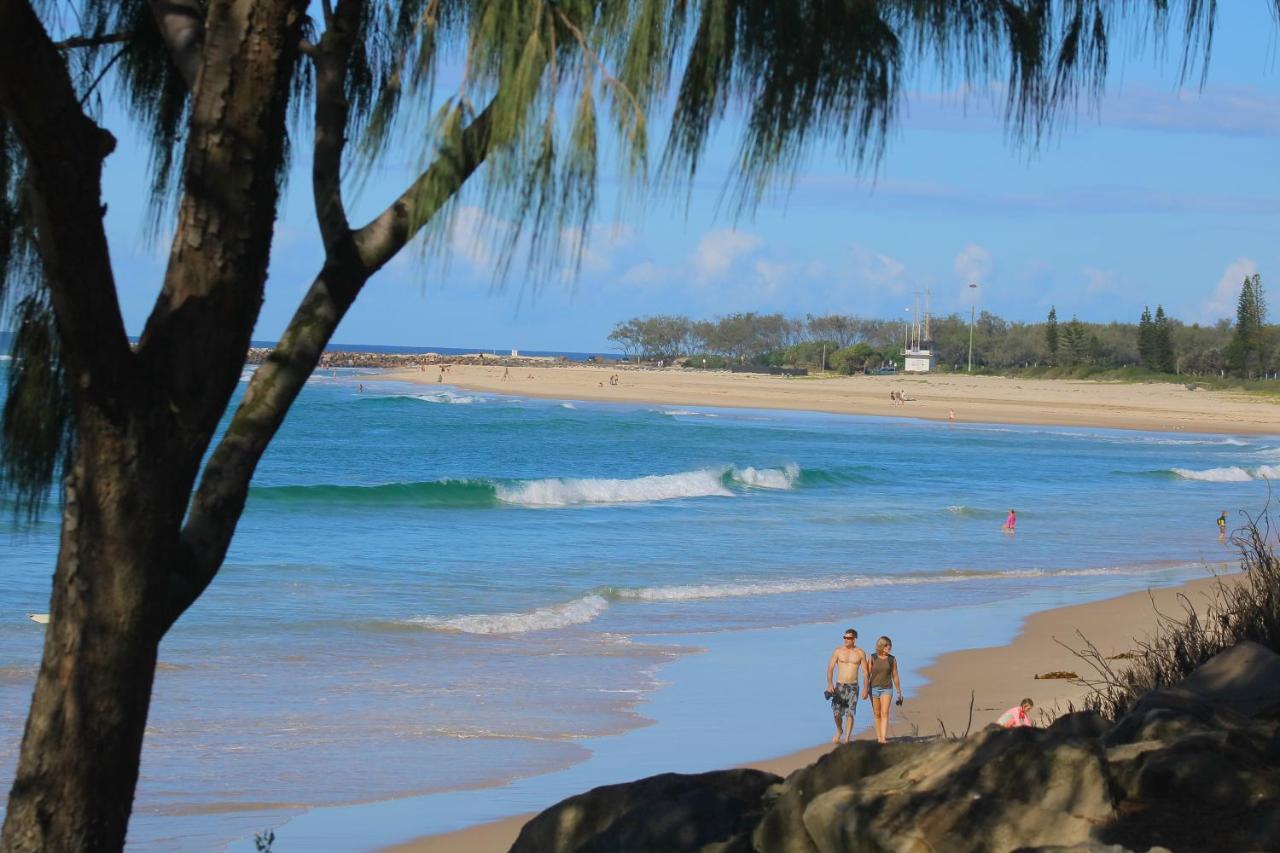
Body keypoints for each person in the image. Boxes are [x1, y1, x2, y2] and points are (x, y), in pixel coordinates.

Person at [825, 628, 870, 744]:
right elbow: (830, 668)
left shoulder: (860, 653)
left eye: (848, 638)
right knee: (836, 713)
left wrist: (866, 688)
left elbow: (865, 672)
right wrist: (830, 684)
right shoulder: (838, 651)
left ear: (854, 639)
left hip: (853, 686)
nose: (846, 639)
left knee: (850, 713)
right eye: (844, 637)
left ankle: (847, 738)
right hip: (839, 686)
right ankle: (840, 730)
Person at [865, 636, 902, 744]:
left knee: (884, 712)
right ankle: (879, 737)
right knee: (877, 713)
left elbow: (895, 675)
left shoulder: (892, 659)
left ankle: (883, 739)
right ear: (881, 646)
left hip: (887, 688)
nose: (889, 647)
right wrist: (866, 688)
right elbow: (867, 674)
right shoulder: (873, 657)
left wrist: (899, 691)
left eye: (890, 645)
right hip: (874, 689)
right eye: (886, 645)